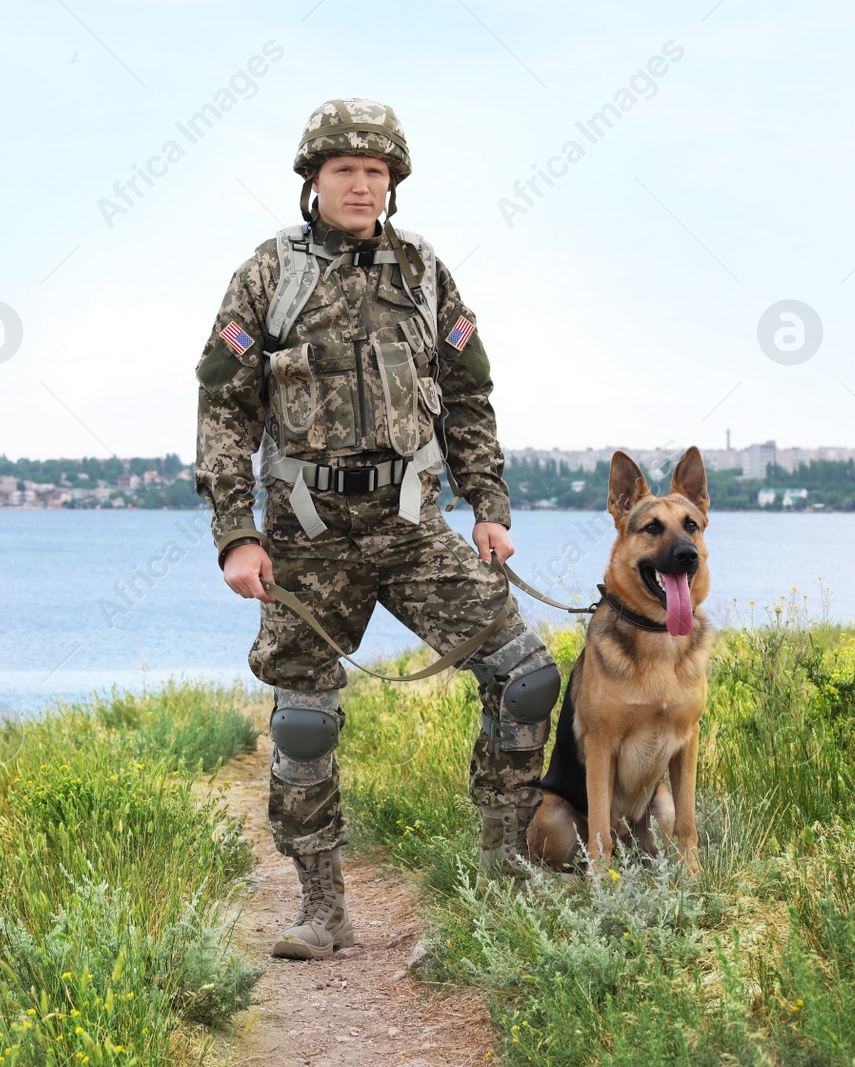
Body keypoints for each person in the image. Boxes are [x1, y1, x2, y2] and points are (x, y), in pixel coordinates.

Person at [193, 99, 560, 960]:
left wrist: (490, 507)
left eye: (377, 171)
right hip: (307, 533)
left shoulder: (426, 274)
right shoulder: (267, 275)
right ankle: (322, 909)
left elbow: (469, 396)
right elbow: (223, 406)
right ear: (312, 180)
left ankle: (498, 883)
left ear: (393, 183)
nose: (362, 184)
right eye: (344, 170)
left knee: (527, 675)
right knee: (304, 722)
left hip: (409, 524)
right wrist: (234, 533)